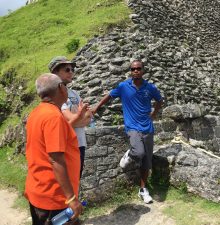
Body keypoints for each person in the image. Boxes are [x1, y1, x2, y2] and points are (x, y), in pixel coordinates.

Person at [92, 60, 163, 204]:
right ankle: (129, 154)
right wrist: (96, 107)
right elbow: (109, 96)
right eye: (133, 69)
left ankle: (143, 190)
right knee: (138, 152)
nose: (136, 71)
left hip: (148, 128)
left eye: (138, 68)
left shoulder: (150, 87)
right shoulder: (124, 86)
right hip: (132, 127)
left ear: (143, 70)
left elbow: (159, 100)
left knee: (146, 162)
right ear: (130, 71)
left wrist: (154, 112)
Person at [24, 73, 85, 225]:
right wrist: (71, 198)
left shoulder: (36, 113)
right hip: (54, 197)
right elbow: (55, 159)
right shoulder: (53, 117)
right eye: (64, 85)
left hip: (39, 190)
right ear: (60, 88)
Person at [48, 56, 92, 178]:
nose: (71, 72)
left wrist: (77, 119)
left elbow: (89, 117)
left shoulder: (74, 93)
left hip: (80, 143)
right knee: (67, 182)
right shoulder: (56, 95)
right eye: (67, 69)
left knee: (76, 179)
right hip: (66, 145)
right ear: (55, 73)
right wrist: (79, 117)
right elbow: (68, 119)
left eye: (72, 69)